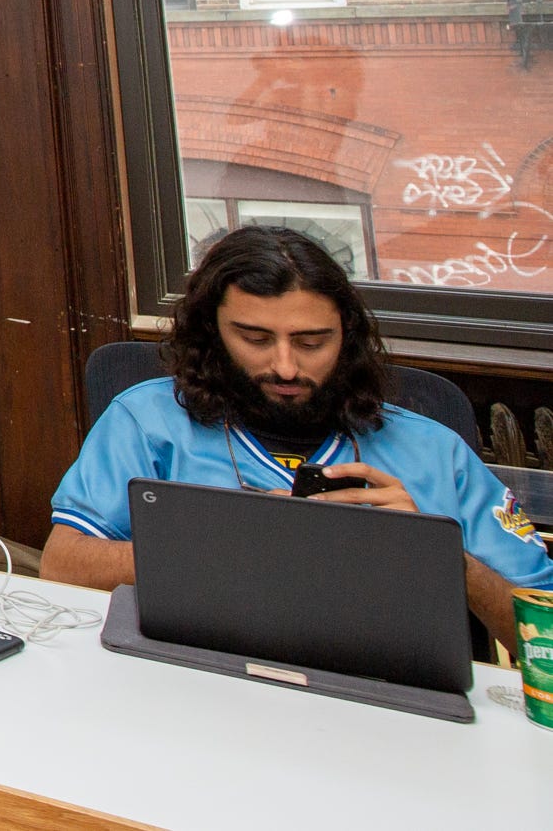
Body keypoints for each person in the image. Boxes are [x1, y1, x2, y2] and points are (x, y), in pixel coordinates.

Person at [45, 225, 551, 655]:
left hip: (383, 711)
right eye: (256, 339)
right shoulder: (147, 420)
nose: (285, 366)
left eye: (312, 343)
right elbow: (62, 565)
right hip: (193, 690)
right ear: (211, 333)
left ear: (347, 335)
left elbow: (542, 637)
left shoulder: (433, 451)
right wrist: (230, 541)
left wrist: (437, 554)